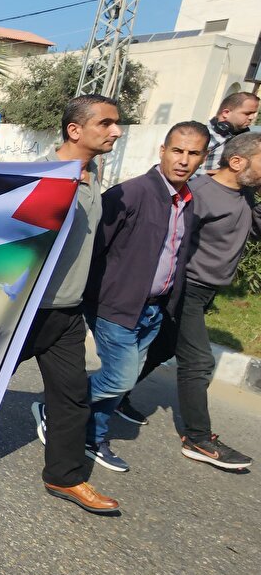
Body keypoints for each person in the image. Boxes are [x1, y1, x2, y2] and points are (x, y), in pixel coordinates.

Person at [121, 131, 261, 471]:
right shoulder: (199, 193)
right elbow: (168, 241)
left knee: (164, 348)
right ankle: (198, 438)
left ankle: (114, 396)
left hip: (206, 290)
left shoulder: (243, 196)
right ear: (238, 161)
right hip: (187, 289)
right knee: (198, 361)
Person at [17, 94, 123, 514]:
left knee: (72, 396)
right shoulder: (41, 176)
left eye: (117, 124)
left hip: (68, 310)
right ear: (74, 130)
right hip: (26, 310)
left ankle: (66, 477)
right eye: (106, 124)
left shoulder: (93, 174)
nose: (115, 131)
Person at [83, 120, 209, 472]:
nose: (183, 160)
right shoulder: (134, 192)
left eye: (193, 153)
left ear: (203, 158)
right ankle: (61, 405)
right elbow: (95, 246)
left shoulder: (187, 200)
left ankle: (93, 435)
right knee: (120, 378)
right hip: (117, 306)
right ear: (163, 151)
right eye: (177, 151)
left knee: (122, 381)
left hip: (153, 309)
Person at [198, 91, 257, 175]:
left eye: (254, 113)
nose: (252, 117)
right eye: (247, 113)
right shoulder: (202, 136)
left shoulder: (239, 137)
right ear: (226, 113)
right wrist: (216, 174)